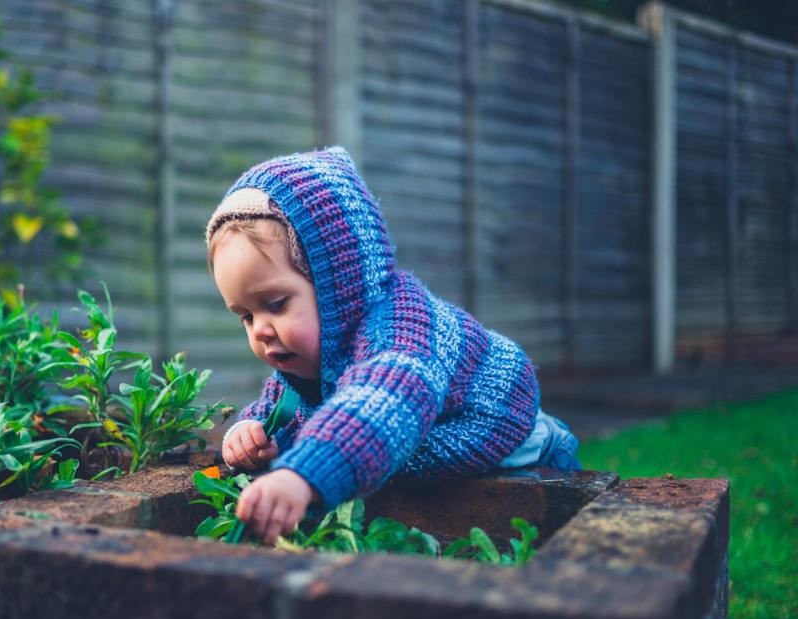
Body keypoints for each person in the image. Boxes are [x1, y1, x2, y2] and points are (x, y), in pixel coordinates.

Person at [205, 147, 579, 546]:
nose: (260, 330)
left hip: (518, 447)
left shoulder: (402, 329)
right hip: (425, 457)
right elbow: (283, 404)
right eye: (246, 316)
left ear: (338, 284)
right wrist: (249, 433)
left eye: (276, 304)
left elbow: (382, 401)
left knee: (541, 549)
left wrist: (303, 476)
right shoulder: (302, 361)